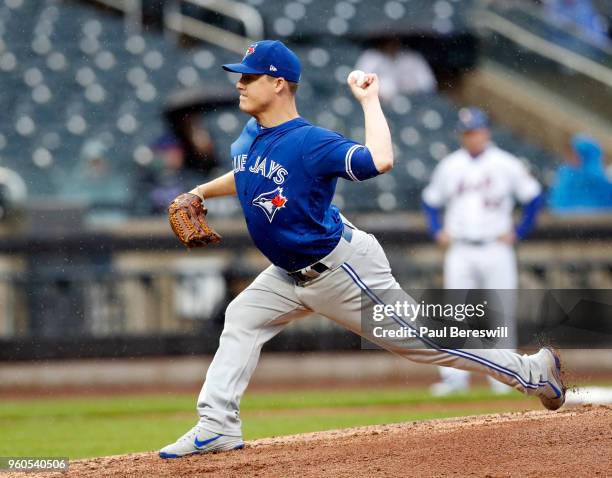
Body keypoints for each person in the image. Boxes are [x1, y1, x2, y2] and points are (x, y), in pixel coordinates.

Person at [159, 41, 564, 459]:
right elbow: (243, 172)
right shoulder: (250, 136)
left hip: (340, 269)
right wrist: (201, 191)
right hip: (286, 272)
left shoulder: (311, 142)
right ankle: (217, 424)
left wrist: (369, 100)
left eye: (249, 76)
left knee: (425, 343)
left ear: (278, 83)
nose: (239, 84)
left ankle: (531, 372)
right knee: (242, 316)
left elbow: (380, 159)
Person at [422, 107, 545, 396]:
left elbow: (534, 196)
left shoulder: (506, 163)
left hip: (495, 247)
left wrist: (519, 231)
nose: (471, 137)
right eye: (466, 132)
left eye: (475, 131)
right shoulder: (450, 165)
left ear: (486, 131)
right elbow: (430, 201)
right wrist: (436, 230)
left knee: (502, 312)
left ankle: (505, 377)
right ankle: (454, 378)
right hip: (461, 248)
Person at [355, 37, 437, 102]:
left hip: (413, 103)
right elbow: (360, 83)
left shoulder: (411, 57)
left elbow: (428, 84)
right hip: (378, 103)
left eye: (394, 41)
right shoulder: (371, 57)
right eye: (387, 42)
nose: (391, 45)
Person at [549, 134, 612, 212]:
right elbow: (556, 205)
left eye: (576, 155)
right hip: (562, 222)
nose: (571, 158)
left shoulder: (600, 181)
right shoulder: (565, 177)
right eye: (570, 154)